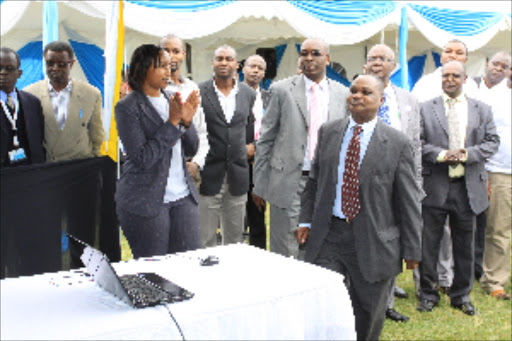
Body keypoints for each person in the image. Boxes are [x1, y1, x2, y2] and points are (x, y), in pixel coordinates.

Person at [296, 75, 422, 340]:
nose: (357, 96)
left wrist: (412, 248)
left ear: (381, 100)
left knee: (367, 312)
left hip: (375, 240)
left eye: (366, 92)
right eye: (354, 90)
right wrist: (305, 221)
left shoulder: (397, 143)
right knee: (325, 305)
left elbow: (408, 200)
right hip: (329, 234)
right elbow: (315, 181)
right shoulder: (329, 131)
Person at [253, 37, 349, 259]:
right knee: (285, 248)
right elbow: (266, 138)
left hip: (325, 183)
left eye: (315, 53)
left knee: (321, 245)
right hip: (287, 181)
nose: (308, 58)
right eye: (304, 53)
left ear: (327, 58)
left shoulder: (342, 94)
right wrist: (259, 183)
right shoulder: (281, 90)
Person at [417, 61, 499, 316]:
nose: (449, 79)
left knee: (465, 244)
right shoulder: (425, 109)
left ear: (465, 79)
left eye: (455, 75)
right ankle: (428, 294)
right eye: (446, 75)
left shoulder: (482, 110)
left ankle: (461, 295)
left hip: (467, 188)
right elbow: (417, 143)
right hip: (435, 185)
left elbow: (492, 141)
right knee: (429, 244)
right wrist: (442, 155)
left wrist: (467, 154)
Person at [115, 44, 201, 258]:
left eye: (168, 66)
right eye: (161, 66)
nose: (168, 71)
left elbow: (190, 149)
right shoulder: (128, 107)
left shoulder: (173, 98)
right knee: (155, 271)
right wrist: (173, 123)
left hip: (183, 196)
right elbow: (143, 158)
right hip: (146, 200)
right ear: (144, 68)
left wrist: (187, 123)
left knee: (188, 264)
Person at [410, 39, 478, 293]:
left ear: (466, 59)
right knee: (428, 231)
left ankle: (446, 278)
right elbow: (416, 128)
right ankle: (424, 283)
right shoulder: (426, 83)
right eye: (448, 50)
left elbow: (481, 128)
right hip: (432, 170)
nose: (453, 55)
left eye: (459, 52)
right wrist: (439, 154)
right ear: (440, 55)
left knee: (455, 233)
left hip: (464, 174)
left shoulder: (473, 87)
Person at [364, 44, 422, 323]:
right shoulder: (357, 94)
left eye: (383, 59)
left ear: (393, 66)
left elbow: (417, 145)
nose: (377, 63)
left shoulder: (408, 100)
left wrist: (416, 182)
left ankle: (386, 301)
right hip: (368, 183)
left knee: (394, 240)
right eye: (372, 58)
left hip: (401, 181)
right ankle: (367, 296)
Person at [198, 45, 256, 247]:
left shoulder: (248, 94)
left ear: (237, 64)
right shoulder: (199, 92)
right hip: (208, 175)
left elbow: (256, 128)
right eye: (219, 58)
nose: (224, 63)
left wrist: (253, 147)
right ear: (212, 63)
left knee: (235, 240)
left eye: (229, 59)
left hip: (238, 175)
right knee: (205, 239)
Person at [24, 41, 104, 162]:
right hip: (47, 167)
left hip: (79, 165)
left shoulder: (91, 94)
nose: (55, 68)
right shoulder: (29, 94)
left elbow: (96, 135)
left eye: (61, 64)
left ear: (71, 64)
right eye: (50, 64)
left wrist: (93, 160)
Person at [479, 52, 512, 300]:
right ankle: (494, 281)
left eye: (505, 65)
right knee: (498, 229)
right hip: (498, 171)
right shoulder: (490, 97)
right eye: (497, 64)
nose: (501, 68)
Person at [160, 34, 208, 191]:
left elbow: (202, 131)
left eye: (176, 51)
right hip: (160, 171)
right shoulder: (152, 88)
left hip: (189, 170)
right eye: (166, 51)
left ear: (183, 55)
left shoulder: (192, 87)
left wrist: (196, 163)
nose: (171, 56)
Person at [1, 47, 45, 167]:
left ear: (19, 73)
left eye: (9, 68)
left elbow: (39, 137)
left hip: (27, 173)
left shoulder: (33, 102)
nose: (3, 72)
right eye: (0, 68)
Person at [243, 54, 269, 249]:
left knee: (257, 219)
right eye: (252, 66)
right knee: (232, 221)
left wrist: (257, 149)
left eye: (260, 68)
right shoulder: (233, 94)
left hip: (260, 166)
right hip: (235, 163)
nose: (256, 70)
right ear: (243, 68)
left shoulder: (270, 98)